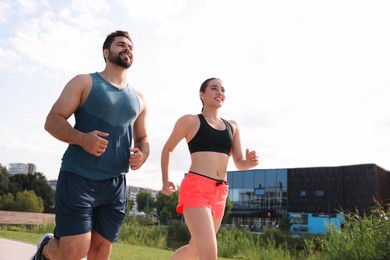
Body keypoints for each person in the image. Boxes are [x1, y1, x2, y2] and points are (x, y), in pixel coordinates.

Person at [31, 30, 149, 260]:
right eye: (120, 44)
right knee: (74, 251)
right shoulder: (85, 81)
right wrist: (82, 139)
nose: (127, 48)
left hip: (115, 183)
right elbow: (52, 120)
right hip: (78, 176)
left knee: (100, 251)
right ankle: (46, 249)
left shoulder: (139, 98)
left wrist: (142, 154)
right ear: (106, 53)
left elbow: (144, 138)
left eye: (130, 46)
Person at [161, 77, 259, 260]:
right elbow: (168, 148)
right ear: (202, 95)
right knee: (209, 254)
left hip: (220, 193)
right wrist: (166, 179)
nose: (220, 92)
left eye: (222, 89)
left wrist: (249, 162)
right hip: (196, 190)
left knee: (195, 250)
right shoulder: (190, 121)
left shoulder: (233, 126)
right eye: (214, 88)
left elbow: (239, 161)